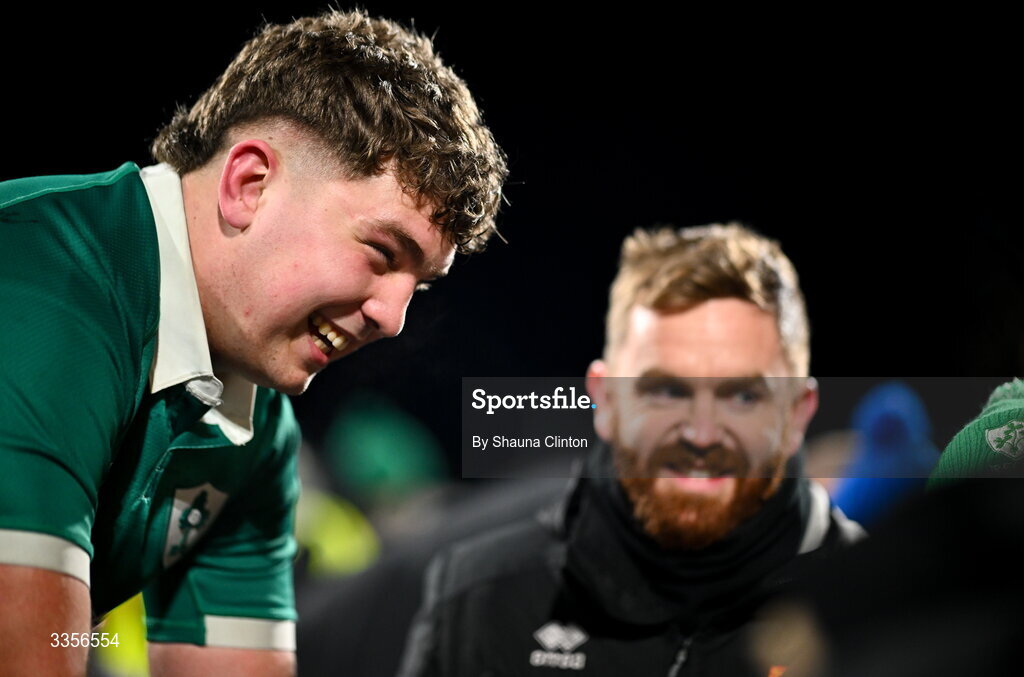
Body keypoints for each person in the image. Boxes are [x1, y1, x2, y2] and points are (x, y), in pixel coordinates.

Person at [0, 9, 506, 677]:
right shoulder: (39, 277)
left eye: (422, 285)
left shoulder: (260, 433)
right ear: (249, 184)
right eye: (383, 251)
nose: (394, 318)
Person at [398, 224, 863, 677]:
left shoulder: (891, 601)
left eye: (742, 396)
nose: (701, 435)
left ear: (799, 413)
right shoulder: (480, 597)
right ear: (604, 400)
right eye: (666, 391)